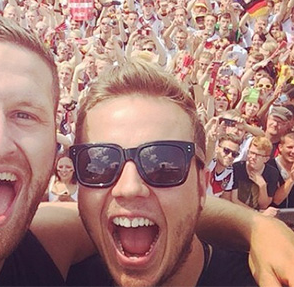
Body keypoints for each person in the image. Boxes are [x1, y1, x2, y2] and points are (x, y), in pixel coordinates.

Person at [0, 17, 294, 286]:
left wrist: (258, 228)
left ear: (53, 149)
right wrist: (251, 222)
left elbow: (165, 207)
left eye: (25, 115)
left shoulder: (44, 249)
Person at [66, 61, 258, 286]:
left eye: (163, 165)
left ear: (200, 186)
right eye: (100, 163)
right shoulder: (54, 275)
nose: (129, 188)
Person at [268, 132, 294, 208]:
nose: (293, 152)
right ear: (280, 147)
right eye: (290, 147)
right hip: (273, 217)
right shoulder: (269, 167)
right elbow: (275, 201)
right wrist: (291, 180)